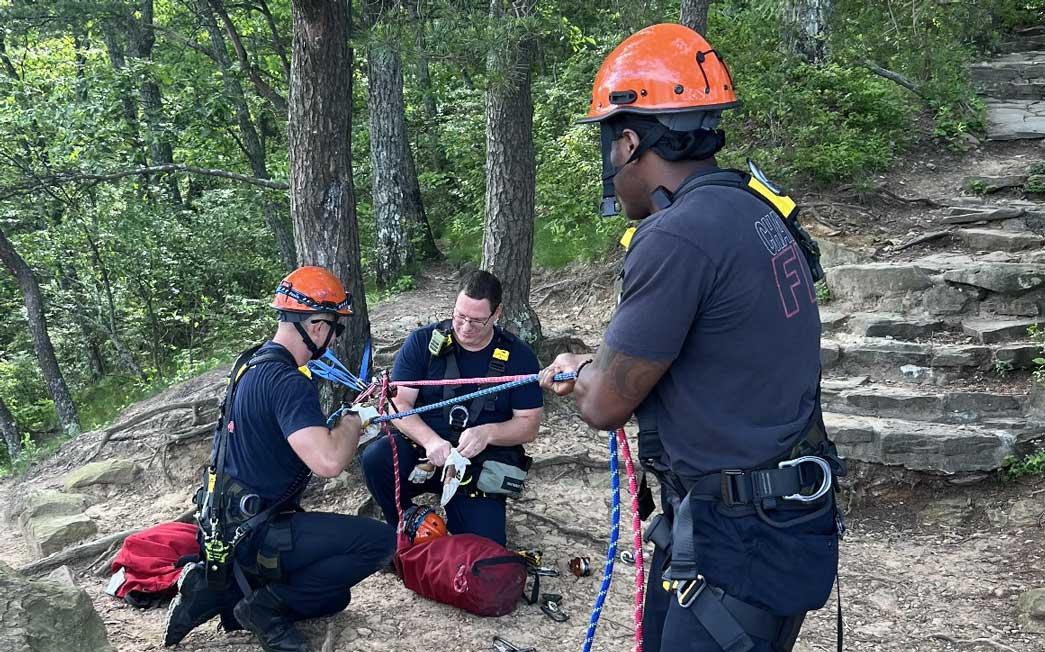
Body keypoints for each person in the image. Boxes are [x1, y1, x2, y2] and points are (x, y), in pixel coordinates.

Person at [540, 23, 844, 652]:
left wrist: (582, 376)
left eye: (608, 146)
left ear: (628, 141)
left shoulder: (675, 236)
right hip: (760, 521)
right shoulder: (755, 210)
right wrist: (594, 364)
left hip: (739, 540)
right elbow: (703, 345)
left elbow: (603, 404)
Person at [165, 266, 394, 652]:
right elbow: (327, 462)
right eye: (335, 329)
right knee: (380, 542)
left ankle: (218, 590)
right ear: (318, 326)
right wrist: (356, 421)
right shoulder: (289, 381)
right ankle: (263, 609)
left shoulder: (250, 365)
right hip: (256, 531)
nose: (334, 339)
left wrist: (344, 427)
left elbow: (294, 442)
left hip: (226, 526)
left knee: (333, 598)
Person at [361, 270, 543, 546]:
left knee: (484, 550)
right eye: (460, 316)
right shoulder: (424, 342)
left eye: (477, 321)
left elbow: (528, 424)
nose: (465, 327)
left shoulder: (518, 357)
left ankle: (460, 525)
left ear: (497, 315)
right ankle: (404, 525)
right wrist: (430, 440)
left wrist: (489, 433)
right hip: (424, 453)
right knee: (377, 459)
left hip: (478, 461)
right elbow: (398, 403)